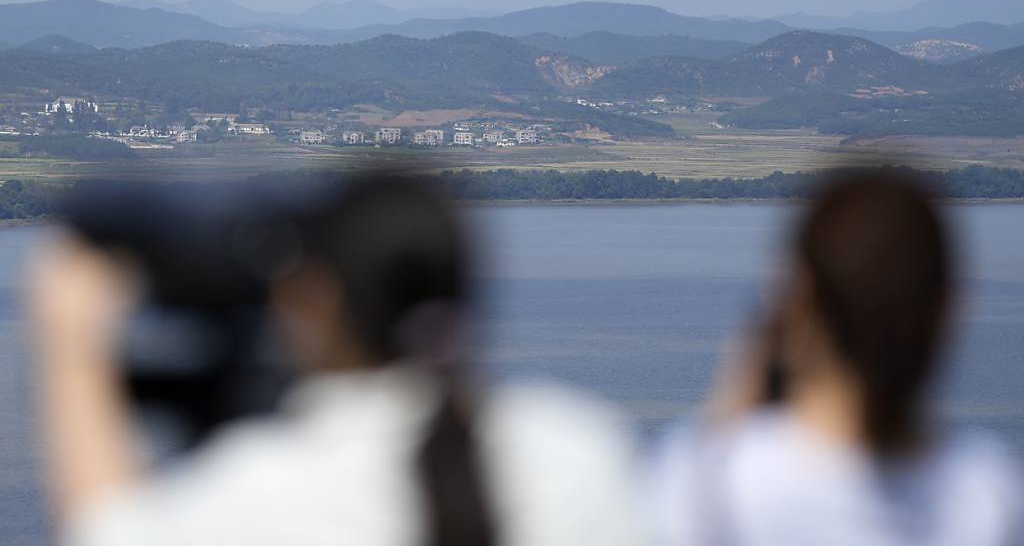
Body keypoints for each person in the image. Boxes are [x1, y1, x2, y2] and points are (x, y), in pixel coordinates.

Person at [29, 176, 641, 546]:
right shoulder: (579, 450)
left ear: (316, 302)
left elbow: (102, 532)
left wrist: (72, 343)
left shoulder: (267, 491)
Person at [650, 171, 1023, 546]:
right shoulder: (985, 492)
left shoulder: (711, 480)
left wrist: (738, 395)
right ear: (944, 307)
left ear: (799, 303)